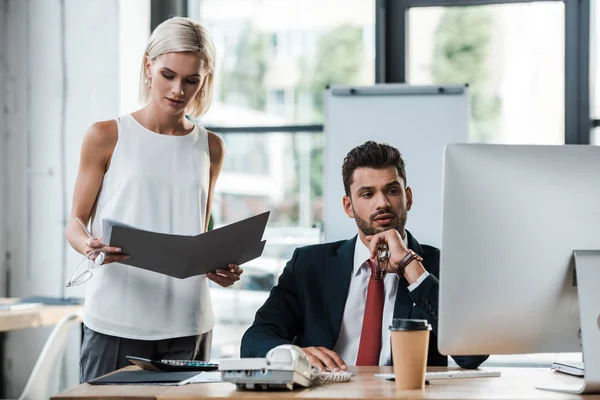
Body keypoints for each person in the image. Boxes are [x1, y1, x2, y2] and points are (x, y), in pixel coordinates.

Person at [65, 17, 243, 382]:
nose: (178, 89)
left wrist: (220, 266)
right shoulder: (106, 135)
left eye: (192, 80)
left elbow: (199, 230)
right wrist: (91, 246)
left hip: (188, 322)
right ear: (148, 66)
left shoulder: (211, 146)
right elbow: (75, 223)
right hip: (115, 319)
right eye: (168, 75)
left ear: (204, 80)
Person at [241, 141, 488, 371]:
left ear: (408, 198)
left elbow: (472, 355)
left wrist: (409, 266)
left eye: (392, 190)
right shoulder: (308, 265)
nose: (382, 203)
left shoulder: (438, 266)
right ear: (349, 206)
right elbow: (255, 339)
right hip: (327, 393)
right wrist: (291, 355)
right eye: (367, 194)